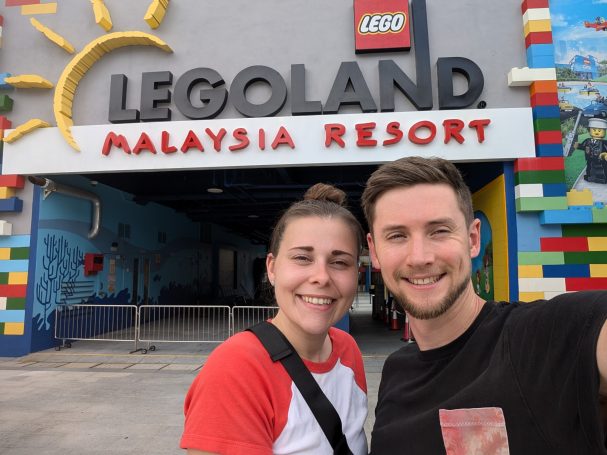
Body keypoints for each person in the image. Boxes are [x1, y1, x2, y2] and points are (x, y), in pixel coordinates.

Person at [361, 156, 607, 453]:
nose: (419, 257)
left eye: (439, 231)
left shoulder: (538, 338)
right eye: (397, 235)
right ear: (375, 251)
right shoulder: (396, 372)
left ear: (472, 238)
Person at [180, 183, 368, 455]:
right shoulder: (236, 370)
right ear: (272, 268)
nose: (322, 277)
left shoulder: (348, 350)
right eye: (303, 258)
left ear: (356, 274)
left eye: (340, 262)